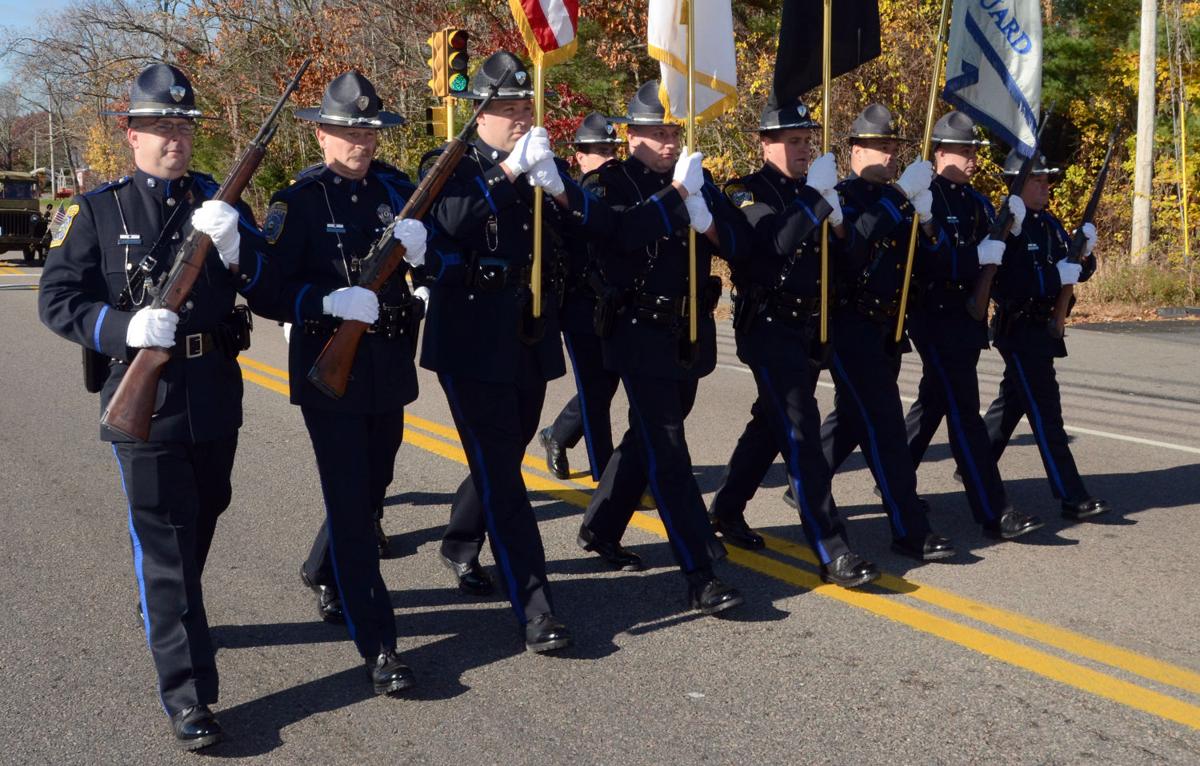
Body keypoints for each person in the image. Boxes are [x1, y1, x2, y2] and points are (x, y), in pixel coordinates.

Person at [38, 63, 271, 750]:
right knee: (166, 552)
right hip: (146, 403)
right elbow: (57, 299)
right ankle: (190, 696)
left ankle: (169, 611)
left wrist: (238, 248)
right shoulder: (97, 211)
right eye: (159, 125)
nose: (175, 136)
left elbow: (272, 279)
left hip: (213, 396)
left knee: (203, 517)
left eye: (184, 125)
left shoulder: (219, 201)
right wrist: (121, 329)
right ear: (130, 133)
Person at [419, 51, 616, 652]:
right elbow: (447, 220)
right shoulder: (448, 162)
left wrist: (561, 193)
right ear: (478, 114)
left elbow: (585, 239)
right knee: (505, 476)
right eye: (505, 109)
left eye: (524, 107)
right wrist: (507, 175)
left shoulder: (541, 166)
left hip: (531, 335)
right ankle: (536, 608)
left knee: (499, 457)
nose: (518, 118)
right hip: (471, 338)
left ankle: (457, 542)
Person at [263, 71, 426, 695]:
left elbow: (435, 254)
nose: (359, 142)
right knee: (355, 509)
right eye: (347, 131)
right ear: (322, 133)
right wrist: (324, 302)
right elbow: (268, 289)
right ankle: (379, 643)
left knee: (373, 487)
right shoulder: (297, 201)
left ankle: (321, 566)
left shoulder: (396, 190)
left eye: (369, 131)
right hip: (329, 374)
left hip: (387, 366)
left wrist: (424, 256)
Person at [576, 80, 750, 614]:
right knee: (669, 447)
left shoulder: (696, 177)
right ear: (631, 136)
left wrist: (708, 218)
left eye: (673, 130)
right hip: (637, 330)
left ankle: (602, 526)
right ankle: (700, 569)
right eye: (656, 132)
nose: (669, 141)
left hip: (689, 332)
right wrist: (675, 197)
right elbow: (620, 236)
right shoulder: (611, 182)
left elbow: (743, 245)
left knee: (649, 435)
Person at [706, 95, 879, 587]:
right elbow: (768, 249)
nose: (804, 149)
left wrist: (841, 224)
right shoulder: (746, 192)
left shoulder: (817, 190)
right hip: (768, 326)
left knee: (771, 423)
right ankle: (832, 548)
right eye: (794, 141)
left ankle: (726, 508)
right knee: (802, 435)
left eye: (807, 140)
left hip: (811, 328)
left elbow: (853, 264)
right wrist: (816, 201)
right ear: (766, 144)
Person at [820, 103, 956, 562]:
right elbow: (853, 249)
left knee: (852, 420)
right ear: (854, 149)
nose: (889, 154)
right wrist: (900, 198)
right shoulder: (843, 197)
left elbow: (938, 263)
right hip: (849, 324)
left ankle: (804, 486)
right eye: (879, 145)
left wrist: (929, 217)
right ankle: (909, 528)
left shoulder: (904, 198)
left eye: (894, 147)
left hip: (889, 327)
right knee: (886, 426)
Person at [899, 111, 1044, 540]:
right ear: (939, 152)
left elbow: (1001, 262)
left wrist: (1013, 232)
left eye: (975, 153)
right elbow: (929, 260)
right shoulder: (924, 198)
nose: (972, 160)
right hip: (933, 315)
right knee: (965, 413)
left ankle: (896, 478)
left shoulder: (979, 203)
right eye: (963, 152)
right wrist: (978, 257)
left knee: (934, 400)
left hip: (967, 319)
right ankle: (994, 510)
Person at [983, 149, 1110, 521]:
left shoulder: (1050, 224)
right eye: (1038, 180)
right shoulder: (1006, 225)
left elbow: (1073, 273)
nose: (1046, 186)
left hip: (1043, 330)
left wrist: (1085, 256)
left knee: (1012, 403)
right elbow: (1007, 283)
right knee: (1046, 412)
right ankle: (1072, 494)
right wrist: (1058, 276)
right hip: (1019, 329)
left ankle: (977, 464)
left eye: (1046, 179)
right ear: (1017, 184)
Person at [538, 111, 626, 481]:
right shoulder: (570, 196)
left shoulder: (616, 189)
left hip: (612, 304)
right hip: (579, 305)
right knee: (595, 390)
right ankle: (606, 477)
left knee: (607, 383)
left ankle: (557, 434)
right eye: (597, 150)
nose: (606, 157)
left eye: (610, 149)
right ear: (578, 156)